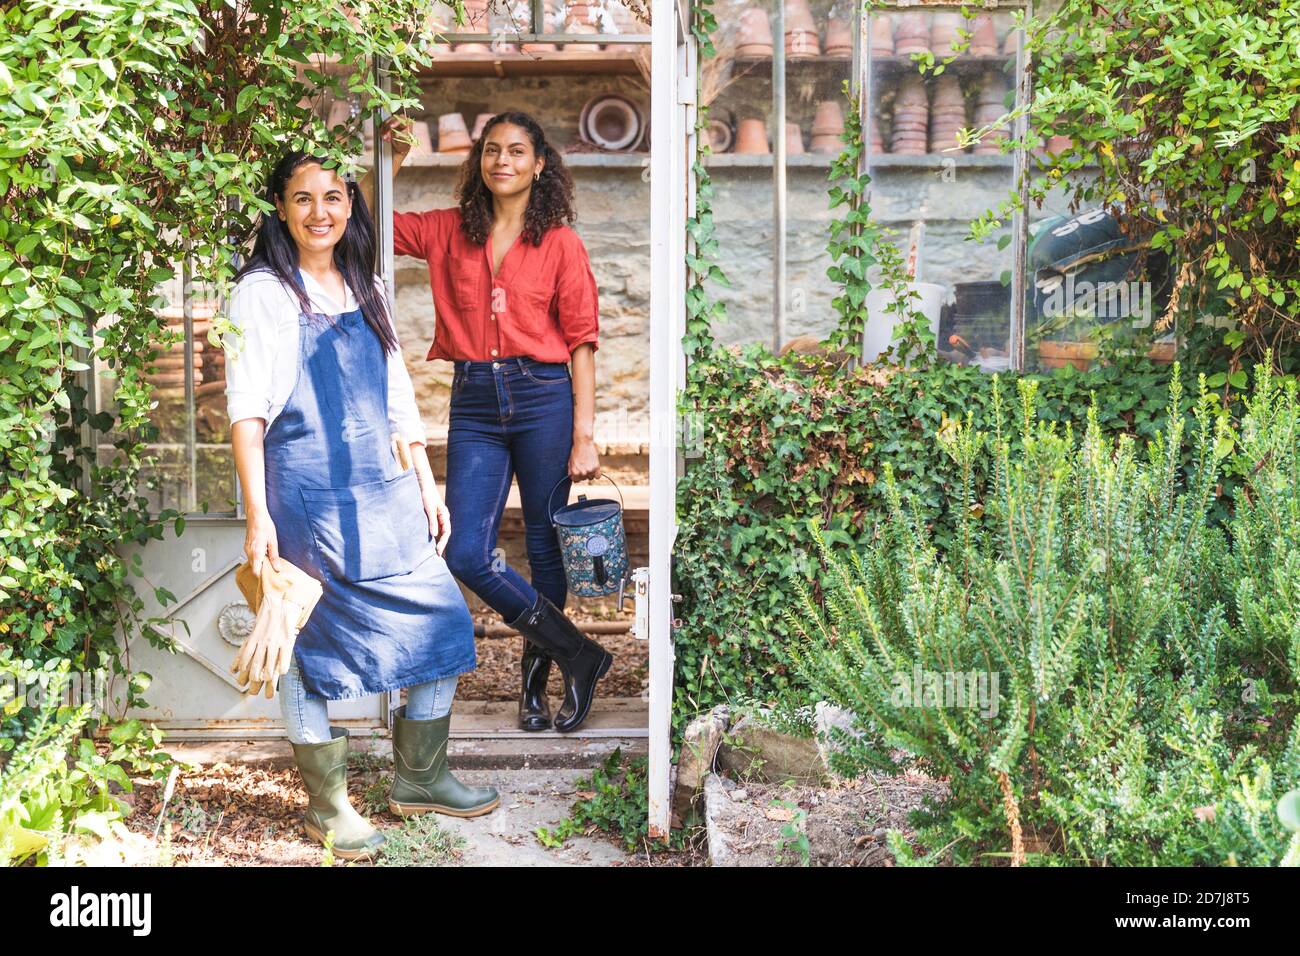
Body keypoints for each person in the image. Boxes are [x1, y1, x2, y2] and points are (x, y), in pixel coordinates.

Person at [225, 151, 498, 862]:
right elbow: (247, 414)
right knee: (304, 645)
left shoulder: (364, 282)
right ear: (280, 209)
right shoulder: (262, 293)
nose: (321, 212)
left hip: (382, 493)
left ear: (351, 206)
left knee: (441, 624)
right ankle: (329, 806)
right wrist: (259, 518)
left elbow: (396, 394)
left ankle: (421, 776)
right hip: (306, 498)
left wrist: (427, 483)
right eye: (303, 198)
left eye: (334, 197)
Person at [360, 111, 614, 734]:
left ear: (539, 165)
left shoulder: (560, 243)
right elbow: (362, 228)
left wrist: (584, 434)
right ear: (479, 163)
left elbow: (582, 341)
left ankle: (536, 684)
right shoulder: (448, 231)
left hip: (544, 397)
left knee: (544, 549)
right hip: (474, 396)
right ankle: (578, 652)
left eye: (517, 151)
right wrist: (387, 162)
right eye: (492, 150)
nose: (502, 160)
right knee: (465, 550)